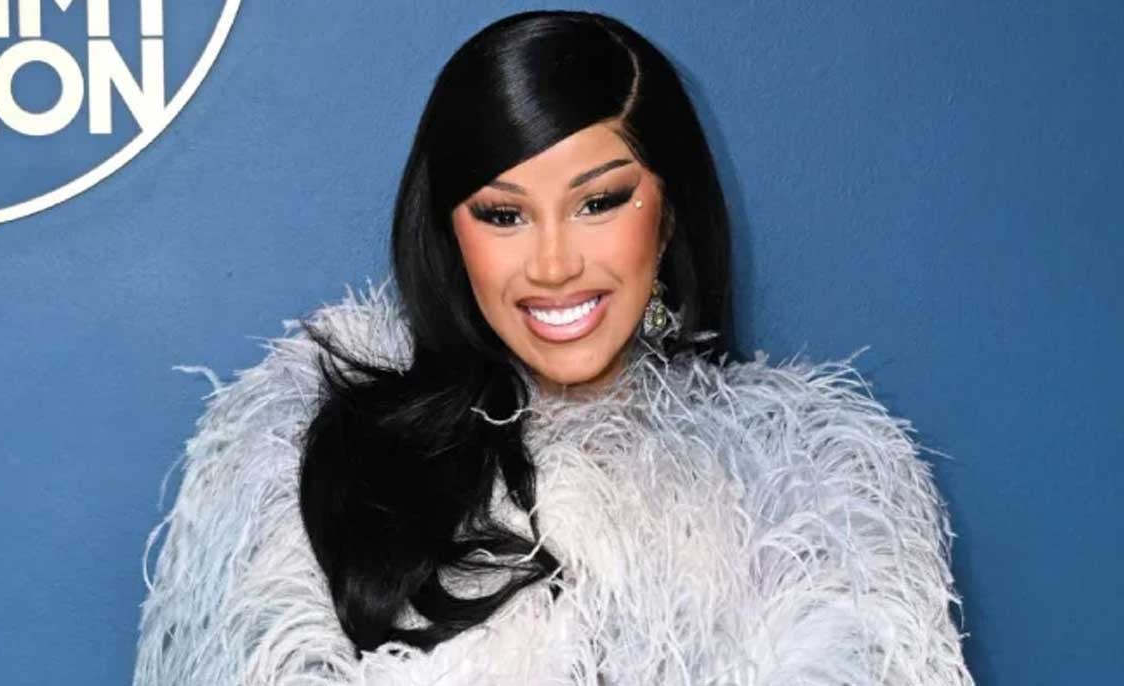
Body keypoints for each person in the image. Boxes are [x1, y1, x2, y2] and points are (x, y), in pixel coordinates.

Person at [133, 9, 974, 685]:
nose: (554, 263)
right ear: (450, 235)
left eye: (598, 202)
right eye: (504, 215)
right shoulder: (304, 462)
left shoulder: (808, 498)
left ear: (667, 213)